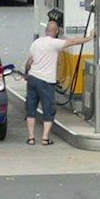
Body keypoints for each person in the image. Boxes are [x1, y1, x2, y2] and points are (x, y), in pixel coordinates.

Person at [23, 12, 92, 145]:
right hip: (46, 82)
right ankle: (45, 138)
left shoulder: (36, 43)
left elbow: (29, 61)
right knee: (48, 109)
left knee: (30, 108)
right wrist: (89, 38)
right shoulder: (54, 43)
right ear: (56, 32)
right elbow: (73, 42)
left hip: (32, 79)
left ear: (45, 31)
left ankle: (31, 138)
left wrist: (26, 73)